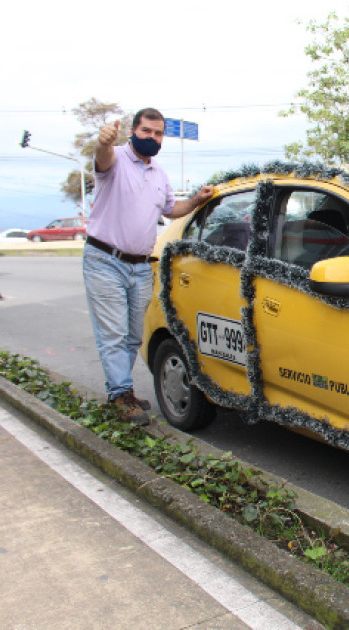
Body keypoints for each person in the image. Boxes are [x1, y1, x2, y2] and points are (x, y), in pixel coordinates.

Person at [84, 107, 214, 425]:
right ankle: (120, 394)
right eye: (146, 131)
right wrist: (102, 142)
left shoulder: (159, 174)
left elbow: (171, 209)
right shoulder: (114, 158)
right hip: (105, 261)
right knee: (113, 334)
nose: (152, 138)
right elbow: (102, 157)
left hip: (140, 266)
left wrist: (196, 201)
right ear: (132, 132)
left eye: (158, 134)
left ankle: (121, 392)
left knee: (132, 336)